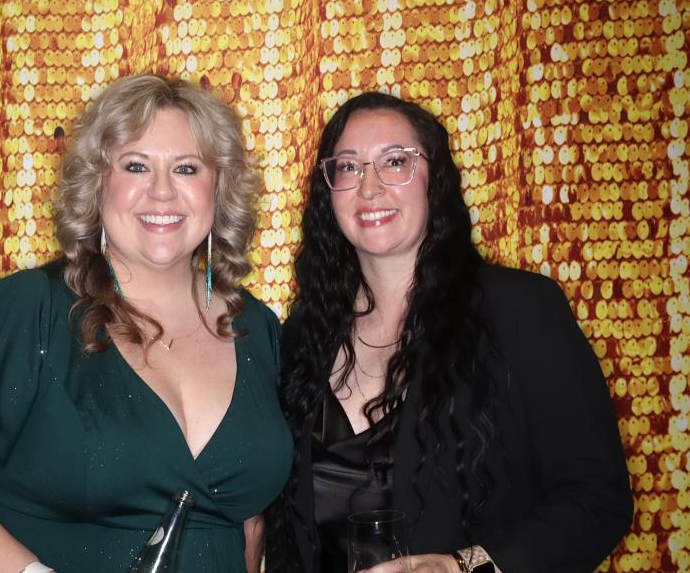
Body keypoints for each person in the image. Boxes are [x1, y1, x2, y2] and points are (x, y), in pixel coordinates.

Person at [0, 74, 292, 573]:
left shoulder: (258, 328)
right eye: (136, 166)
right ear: (97, 184)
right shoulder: (32, 307)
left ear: (219, 187)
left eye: (186, 168)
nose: (162, 191)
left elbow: (250, 526)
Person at [264, 92, 633, 572]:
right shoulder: (301, 338)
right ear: (328, 189)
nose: (369, 187)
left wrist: (463, 565)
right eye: (349, 167)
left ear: (434, 177)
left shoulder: (519, 309)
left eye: (395, 162)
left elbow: (599, 499)